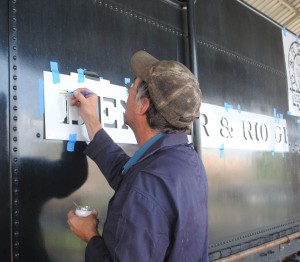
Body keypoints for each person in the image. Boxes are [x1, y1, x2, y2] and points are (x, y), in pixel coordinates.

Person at [67, 50, 208, 261]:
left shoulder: (146, 184)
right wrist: (92, 121)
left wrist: (90, 235)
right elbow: (130, 177)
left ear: (143, 105)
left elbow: (140, 189)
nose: (127, 92)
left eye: (131, 88)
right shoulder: (184, 159)